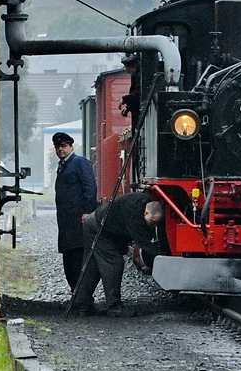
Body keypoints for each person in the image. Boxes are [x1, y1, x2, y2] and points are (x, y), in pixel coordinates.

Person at [72, 190, 166, 316]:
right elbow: (144, 243)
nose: (152, 225)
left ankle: (83, 303)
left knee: (92, 266)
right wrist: (163, 258)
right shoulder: (134, 216)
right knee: (114, 263)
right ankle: (114, 306)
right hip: (98, 229)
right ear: (146, 212)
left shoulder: (142, 202)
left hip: (94, 224)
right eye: (152, 222)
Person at [52, 132, 97, 291]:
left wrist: (87, 211)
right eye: (58, 147)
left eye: (63, 146)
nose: (60, 149)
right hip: (66, 221)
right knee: (69, 257)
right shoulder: (63, 165)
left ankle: (81, 294)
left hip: (78, 219)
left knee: (78, 257)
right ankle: (75, 292)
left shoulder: (79, 163)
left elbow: (90, 188)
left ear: (71, 146)